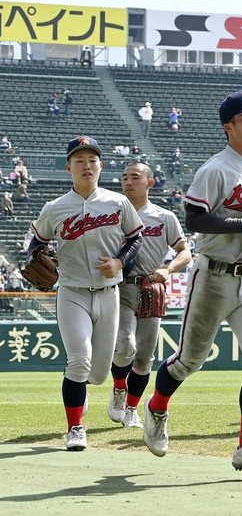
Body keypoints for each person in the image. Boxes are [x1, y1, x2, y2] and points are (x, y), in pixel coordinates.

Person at [142, 90, 242, 471]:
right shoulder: (215, 168)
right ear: (229, 127)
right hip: (214, 275)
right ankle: (156, 407)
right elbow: (194, 220)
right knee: (189, 361)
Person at [28, 137, 144, 451]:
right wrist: (38, 258)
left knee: (99, 372)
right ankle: (76, 429)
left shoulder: (116, 202)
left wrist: (120, 261)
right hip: (72, 293)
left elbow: (136, 238)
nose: (86, 165)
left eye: (92, 159)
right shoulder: (55, 207)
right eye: (79, 160)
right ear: (69, 167)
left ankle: (88, 392)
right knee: (78, 361)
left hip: (108, 294)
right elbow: (35, 243)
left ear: (100, 166)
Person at [107, 161, 191, 429]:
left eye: (134, 177)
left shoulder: (164, 216)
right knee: (124, 345)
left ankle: (132, 408)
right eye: (124, 178)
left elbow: (185, 252)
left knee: (144, 357)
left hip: (151, 288)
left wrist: (168, 269)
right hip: (120, 287)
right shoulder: (110, 213)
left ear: (150, 183)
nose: (127, 182)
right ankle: (119, 388)